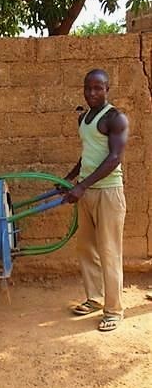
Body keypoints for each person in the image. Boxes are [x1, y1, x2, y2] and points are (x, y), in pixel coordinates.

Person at [62, 69, 129, 332]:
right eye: (88, 88)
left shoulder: (116, 118)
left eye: (98, 88)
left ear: (107, 89)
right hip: (87, 191)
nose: (92, 93)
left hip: (108, 192)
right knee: (86, 247)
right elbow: (87, 155)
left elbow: (114, 158)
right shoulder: (84, 118)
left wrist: (83, 186)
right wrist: (69, 179)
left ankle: (113, 310)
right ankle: (95, 298)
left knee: (109, 251)